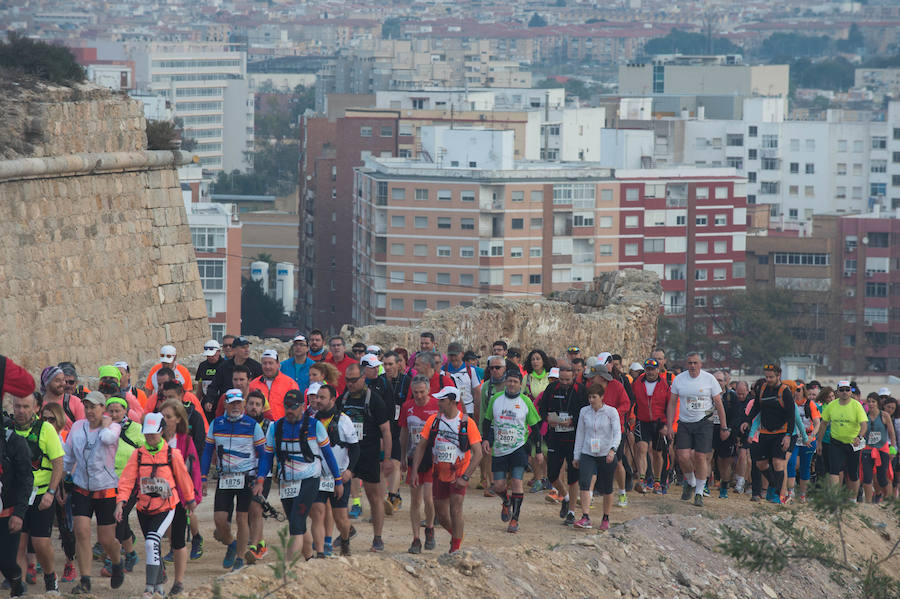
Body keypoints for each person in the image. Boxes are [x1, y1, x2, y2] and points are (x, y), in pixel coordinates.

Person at [114, 413, 196, 599]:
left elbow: (183, 478)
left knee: (151, 542)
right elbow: (127, 480)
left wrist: (190, 500)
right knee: (153, 546)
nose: (150, 437)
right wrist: (121, 502)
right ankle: (159, 587)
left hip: (166, 507)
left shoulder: (171, 454)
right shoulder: (138, 455)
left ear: (161, 432)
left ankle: (149, 587)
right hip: (144, 508)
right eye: (147, 433)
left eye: (154, 433)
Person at [255, 390, 344, 561]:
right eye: (287, 406)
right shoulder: (276, 427)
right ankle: (310, 559)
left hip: (309, 480)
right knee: (298, 524)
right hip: (286, 482)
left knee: (296, 523)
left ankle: (288, 567)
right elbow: (266, 457)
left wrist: (337, 480)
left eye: (294, 407)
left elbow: (328, 455)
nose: (290, 410)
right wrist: (260, 479)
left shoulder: (315, 425)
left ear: (303, 407)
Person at [63, 391, 124, 593]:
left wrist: (105, 424)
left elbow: (107, 439)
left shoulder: (113, 426)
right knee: (81, 532)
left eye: (93, 407)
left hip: (105, 488)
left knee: (106, 539)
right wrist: (63, 478)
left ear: (102, 408)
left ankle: (117, 562)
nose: (89, 411)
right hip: (81, 487)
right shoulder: (78, 427)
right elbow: (69, 455)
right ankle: (85, 579)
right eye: (86, 407)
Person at [410, 387, 483, 554]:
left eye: (442, 400)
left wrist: (465, 477)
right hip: (439, 472)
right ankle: (457, 536)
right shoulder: (433, 420)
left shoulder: (467, 423)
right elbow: (421, 446)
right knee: (441, 515)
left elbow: (478, 453)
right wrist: (414, 471)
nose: (438, 403)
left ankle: (455, 548)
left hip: (459, 471)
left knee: (455, 508)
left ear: (451, 401)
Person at [200, 389, 265, 571]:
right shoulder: (217, 423)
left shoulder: (252, 425)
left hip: (246, 477)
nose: (236, 406)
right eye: (232, 403)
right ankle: (233, 544)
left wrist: (260, 478)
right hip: (225, 477)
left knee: (241, 518)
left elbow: (264, 454)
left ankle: (239, 558)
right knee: (219, 520)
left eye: (238, 403)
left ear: (243, 404)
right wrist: (203, 476)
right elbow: (207, 451)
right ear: (226, 404)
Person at [10, 392, 64, 593]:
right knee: (18, 543)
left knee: (40, 543)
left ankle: (50, 577)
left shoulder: (45, 429)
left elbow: (58, 462)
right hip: (17, 495)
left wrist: (51, 491)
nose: (21, 411)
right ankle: (19, 586)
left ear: (36, 408)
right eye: (17, 406)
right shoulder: (7, 429)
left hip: (40, 493)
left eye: (26, 407)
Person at [340, 363, 392, 551]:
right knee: (339, 495)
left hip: (369, 453)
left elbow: (386, 431)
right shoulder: (343, 399)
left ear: (363, 378)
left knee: (374, 496)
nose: (350, 383)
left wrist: (386, 459)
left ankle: (377, 537)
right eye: (347, 380)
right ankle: (347, 529)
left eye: (354, 380)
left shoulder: (374, 400)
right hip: (348, 455)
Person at [667, 353, 728, 508]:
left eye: (695, 363)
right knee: (683, 456)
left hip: (704, 422)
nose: (692, 366)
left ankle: (699, 492)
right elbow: (672, 403)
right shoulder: (679, 379)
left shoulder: (709, 379)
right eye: (690, 363)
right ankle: (691, 482)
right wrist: (669, 425)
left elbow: (719, 404)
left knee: (701, 457)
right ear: (686, 364)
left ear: (701, 364)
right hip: (685, 423)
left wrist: (723, 426)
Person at [483, 368, 540, 533]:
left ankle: (515, 518)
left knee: (517, 482)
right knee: (499, 486)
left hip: (518, 448)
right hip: (499, 449)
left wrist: (538, 450)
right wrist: (486, 439)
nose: (512, 384)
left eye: (515, 382)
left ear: (520, 384)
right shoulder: (496, 399)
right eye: (509, 381)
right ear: (505, 382)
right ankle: (506, 501)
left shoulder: (525, 402)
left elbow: (535, 427)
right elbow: (487, 421)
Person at [159, 399, 203, 593]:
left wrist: (192, 496)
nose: (165, 420)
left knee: (177, 538)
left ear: (178, 419)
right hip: (157, 495)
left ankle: (178, 581)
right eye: (162, 417)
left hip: (177, 496)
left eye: (168, 417)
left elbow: (192, 468)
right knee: (157, 535)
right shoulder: (154, 438)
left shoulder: (185, 440)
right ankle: (159, 571)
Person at [311, 385, 359, 557]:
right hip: (318, 476)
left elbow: (355, 449)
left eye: (322, 398)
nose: (318, 401)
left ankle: (345, 540)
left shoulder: (344, 420)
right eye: (317, 397)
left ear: (332, 400)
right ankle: (321, 551)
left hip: (339, 476)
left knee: (340, 518)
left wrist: (350, 471)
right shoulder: (312, 420)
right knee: (317, 511)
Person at [538, 360, 584, 525]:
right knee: (552, 475)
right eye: (562, 380)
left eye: (568, 380)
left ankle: (571, 512)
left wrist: (572, 422)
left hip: (573, 439)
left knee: (573, 477)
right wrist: (547, 419)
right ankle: (565, 497)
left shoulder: (580, 390)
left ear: (573, 377)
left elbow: (585, 412)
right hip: (555, 437)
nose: (564, 383)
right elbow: (542, 408)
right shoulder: (552, 388)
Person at [102, 396, 143, 577]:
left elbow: (145, 450)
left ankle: (113, 560)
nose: (114, 414)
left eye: (118, 411)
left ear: (125, 411)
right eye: (111, 411)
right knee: (120, 518)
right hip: (109, 481)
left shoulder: (136, 429)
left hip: (131, 482)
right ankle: (131, 554)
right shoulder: (103, 429)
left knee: (119, 517)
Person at [399, 377, 440, 553]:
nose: (419, 396)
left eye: (422, 392)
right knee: (415, 500)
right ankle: (416, 539)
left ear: (428, 390)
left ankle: (429, 527)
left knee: (428, 499)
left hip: (432, 458)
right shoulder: (407, 407)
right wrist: (401, 456)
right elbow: (404, 432)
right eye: (415, 392)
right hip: (412, 457)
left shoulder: (437, 405)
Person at [572, 385, 621, 530]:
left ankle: (606, 517)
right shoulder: (584, 412)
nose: (591, 400)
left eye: (594, 397)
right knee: (585, 482)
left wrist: (613, 449)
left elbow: (618, 432)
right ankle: (585, 516)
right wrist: (577, 455)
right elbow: (580, 433)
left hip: (606, 453)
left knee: (607, 487)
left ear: (602, 397)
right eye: (590, 397)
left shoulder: (611, 412)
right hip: (588, 452)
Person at [746, 364, 795, 505]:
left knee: (778, 463)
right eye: (766, 377)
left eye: (771, 377)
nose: (768, 380)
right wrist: (747, 421)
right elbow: (756, 407)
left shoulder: (784, 391)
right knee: (761, 464)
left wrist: (788, 435)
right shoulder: (762, 389)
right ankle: (773, 484)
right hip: (764, 432)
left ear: (778, 375)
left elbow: (791, 415)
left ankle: (779, 496)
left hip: (780, 433)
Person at [39, 403, 77, 583]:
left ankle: (70, 562)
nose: (47, 422)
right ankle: (40, 563)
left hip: (64, 487)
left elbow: (69, 463)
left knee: (66, 527)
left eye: (51, 419)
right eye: (44, 418)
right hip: (43, 486)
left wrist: (62, 488)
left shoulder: (65, 436)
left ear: (59, 420)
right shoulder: (38, 435)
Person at [0, 405, 35, 598]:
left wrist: (19, 514)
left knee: (5, 561)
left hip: (8, 513)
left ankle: (16, 581)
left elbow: (26, 480)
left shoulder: (15, 442)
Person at [816, 381, 868, 501]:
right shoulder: (832, 405)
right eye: (841, 390)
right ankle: (835, 498)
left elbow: (864, 425)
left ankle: (853, 499)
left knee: (853, 473)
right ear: (837, 392)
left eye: (847, 389)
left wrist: (859, 437)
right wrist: (819, 442)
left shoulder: (856, 405)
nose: (844, 392)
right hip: (836, 442)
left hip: (853, 443)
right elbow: (823, 424)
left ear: (850, 391)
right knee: (834, 470)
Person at [632, 358, 671, 495]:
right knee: (641, 448)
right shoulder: (638, 383)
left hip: (659, 422)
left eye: (653, 369)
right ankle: (642, 479)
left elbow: (670, 406)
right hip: (642, 421)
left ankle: (657, 481)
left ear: (658, 370)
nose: (650, 372)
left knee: (657, 453)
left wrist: (667, 425)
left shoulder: (665, 384)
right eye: (647, 369)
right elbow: (632, 400)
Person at [243, 391, 272, 564]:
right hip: (244, 472)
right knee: (247, 512)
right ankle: (260, 543)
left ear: (263, 407)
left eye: (257, 404)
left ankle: (254, 548)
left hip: (263, 473)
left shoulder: (270, 425)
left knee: (256, 509)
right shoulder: (241, 423)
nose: (254, 407)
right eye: (251, 404)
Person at [383, 351, 412, 516]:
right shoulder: (379, 381)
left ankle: (392, 497)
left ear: (398, 365)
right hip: (382, 428)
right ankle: (395, 493)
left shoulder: (406, 382)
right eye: (385, 364)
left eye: (390, 364)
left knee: (396, 463)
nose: (387, 368)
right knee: (385, 465)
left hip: (400, 427)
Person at [478, 356, 507, 493]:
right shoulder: (485, 386)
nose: (494, 370)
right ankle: (492, 483)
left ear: (504, 368)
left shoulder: (511, 384)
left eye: (497, 367)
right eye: (491, 368)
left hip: (508, 426)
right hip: (491, 426)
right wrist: (482, 432)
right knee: (488, 453)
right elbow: (483, 410)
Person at [787, 383, 820, 503]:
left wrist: (812, 436)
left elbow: (817, 423)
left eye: (798, 390)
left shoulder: (810, 404)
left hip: (808, 439)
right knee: (791, 463)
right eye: (794, 390)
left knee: (805, 467)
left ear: (803, 391)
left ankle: (803, 494)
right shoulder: (790, 403)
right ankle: (790, 492)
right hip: (794, 438)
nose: (796, 392)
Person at [862, 392, 896, 503]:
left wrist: (893, 448)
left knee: (882, 478)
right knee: (867, 477)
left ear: (877, 403)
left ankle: (887, 500)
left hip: (882, 450)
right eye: (869, 401)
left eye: (873, 401)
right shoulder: (864, 416)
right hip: (867, 449)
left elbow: (891, 432)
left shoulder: (884, 415)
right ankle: (868, 502)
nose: (871, 404)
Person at [207, 337, 263, 404]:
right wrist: (209, 401)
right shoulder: (223, 367)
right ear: (234, 350)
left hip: (249, 405)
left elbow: (262, 387)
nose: (247, 350)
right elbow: (214, 386)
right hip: (228, 403)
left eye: (247, 347)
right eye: (243, 347)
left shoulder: (257, 367)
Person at [249, 350, 300, 422]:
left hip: (281, 425)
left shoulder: (290, 384)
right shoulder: (253, 384)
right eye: (264, 363)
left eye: (270, 363)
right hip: (258, 426)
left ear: (278, 364)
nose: (267, 366)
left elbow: (296, 407)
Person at [40, 366, 83, 432]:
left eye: (63, 380)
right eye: (57, 381)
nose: (63, 383)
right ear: (47, 383)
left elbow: (82, 429)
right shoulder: (38, 403)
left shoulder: (75, 402)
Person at [196, 340, 224, 422]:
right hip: (206, 400)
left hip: (221, 401)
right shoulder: (202, 366)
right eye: (208, 355)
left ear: (219, 352)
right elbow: (200, 386)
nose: (210, 357)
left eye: (212, 355)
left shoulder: (224, 365)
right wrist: (197, 403)